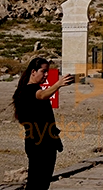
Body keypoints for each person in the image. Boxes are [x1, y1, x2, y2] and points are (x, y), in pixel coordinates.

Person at [15, 57, 73, 190]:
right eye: (43, 71)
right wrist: (58, 84)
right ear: (33, 71)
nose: (46, 74)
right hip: (38, 143)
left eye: (47, 71)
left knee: (41, 182)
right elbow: (42, 95)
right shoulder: (29, 90)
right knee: (37, 182)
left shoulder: (31, 89)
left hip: (45, 141)